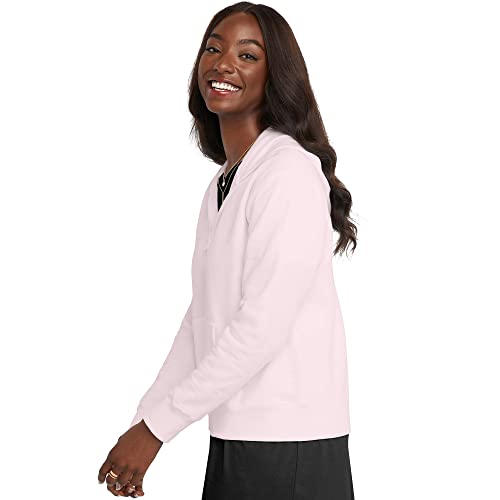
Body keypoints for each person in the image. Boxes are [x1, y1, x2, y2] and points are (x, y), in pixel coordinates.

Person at [97, 2, 358, 498]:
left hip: (291, 445)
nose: (223, 63)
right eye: (213, 49)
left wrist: (156, 430)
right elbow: (203, 322)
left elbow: (261, 324)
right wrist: (144, 423)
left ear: (275, 75)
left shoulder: (288, 172)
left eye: (247, 55)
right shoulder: (224, 184)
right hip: (238, 438)